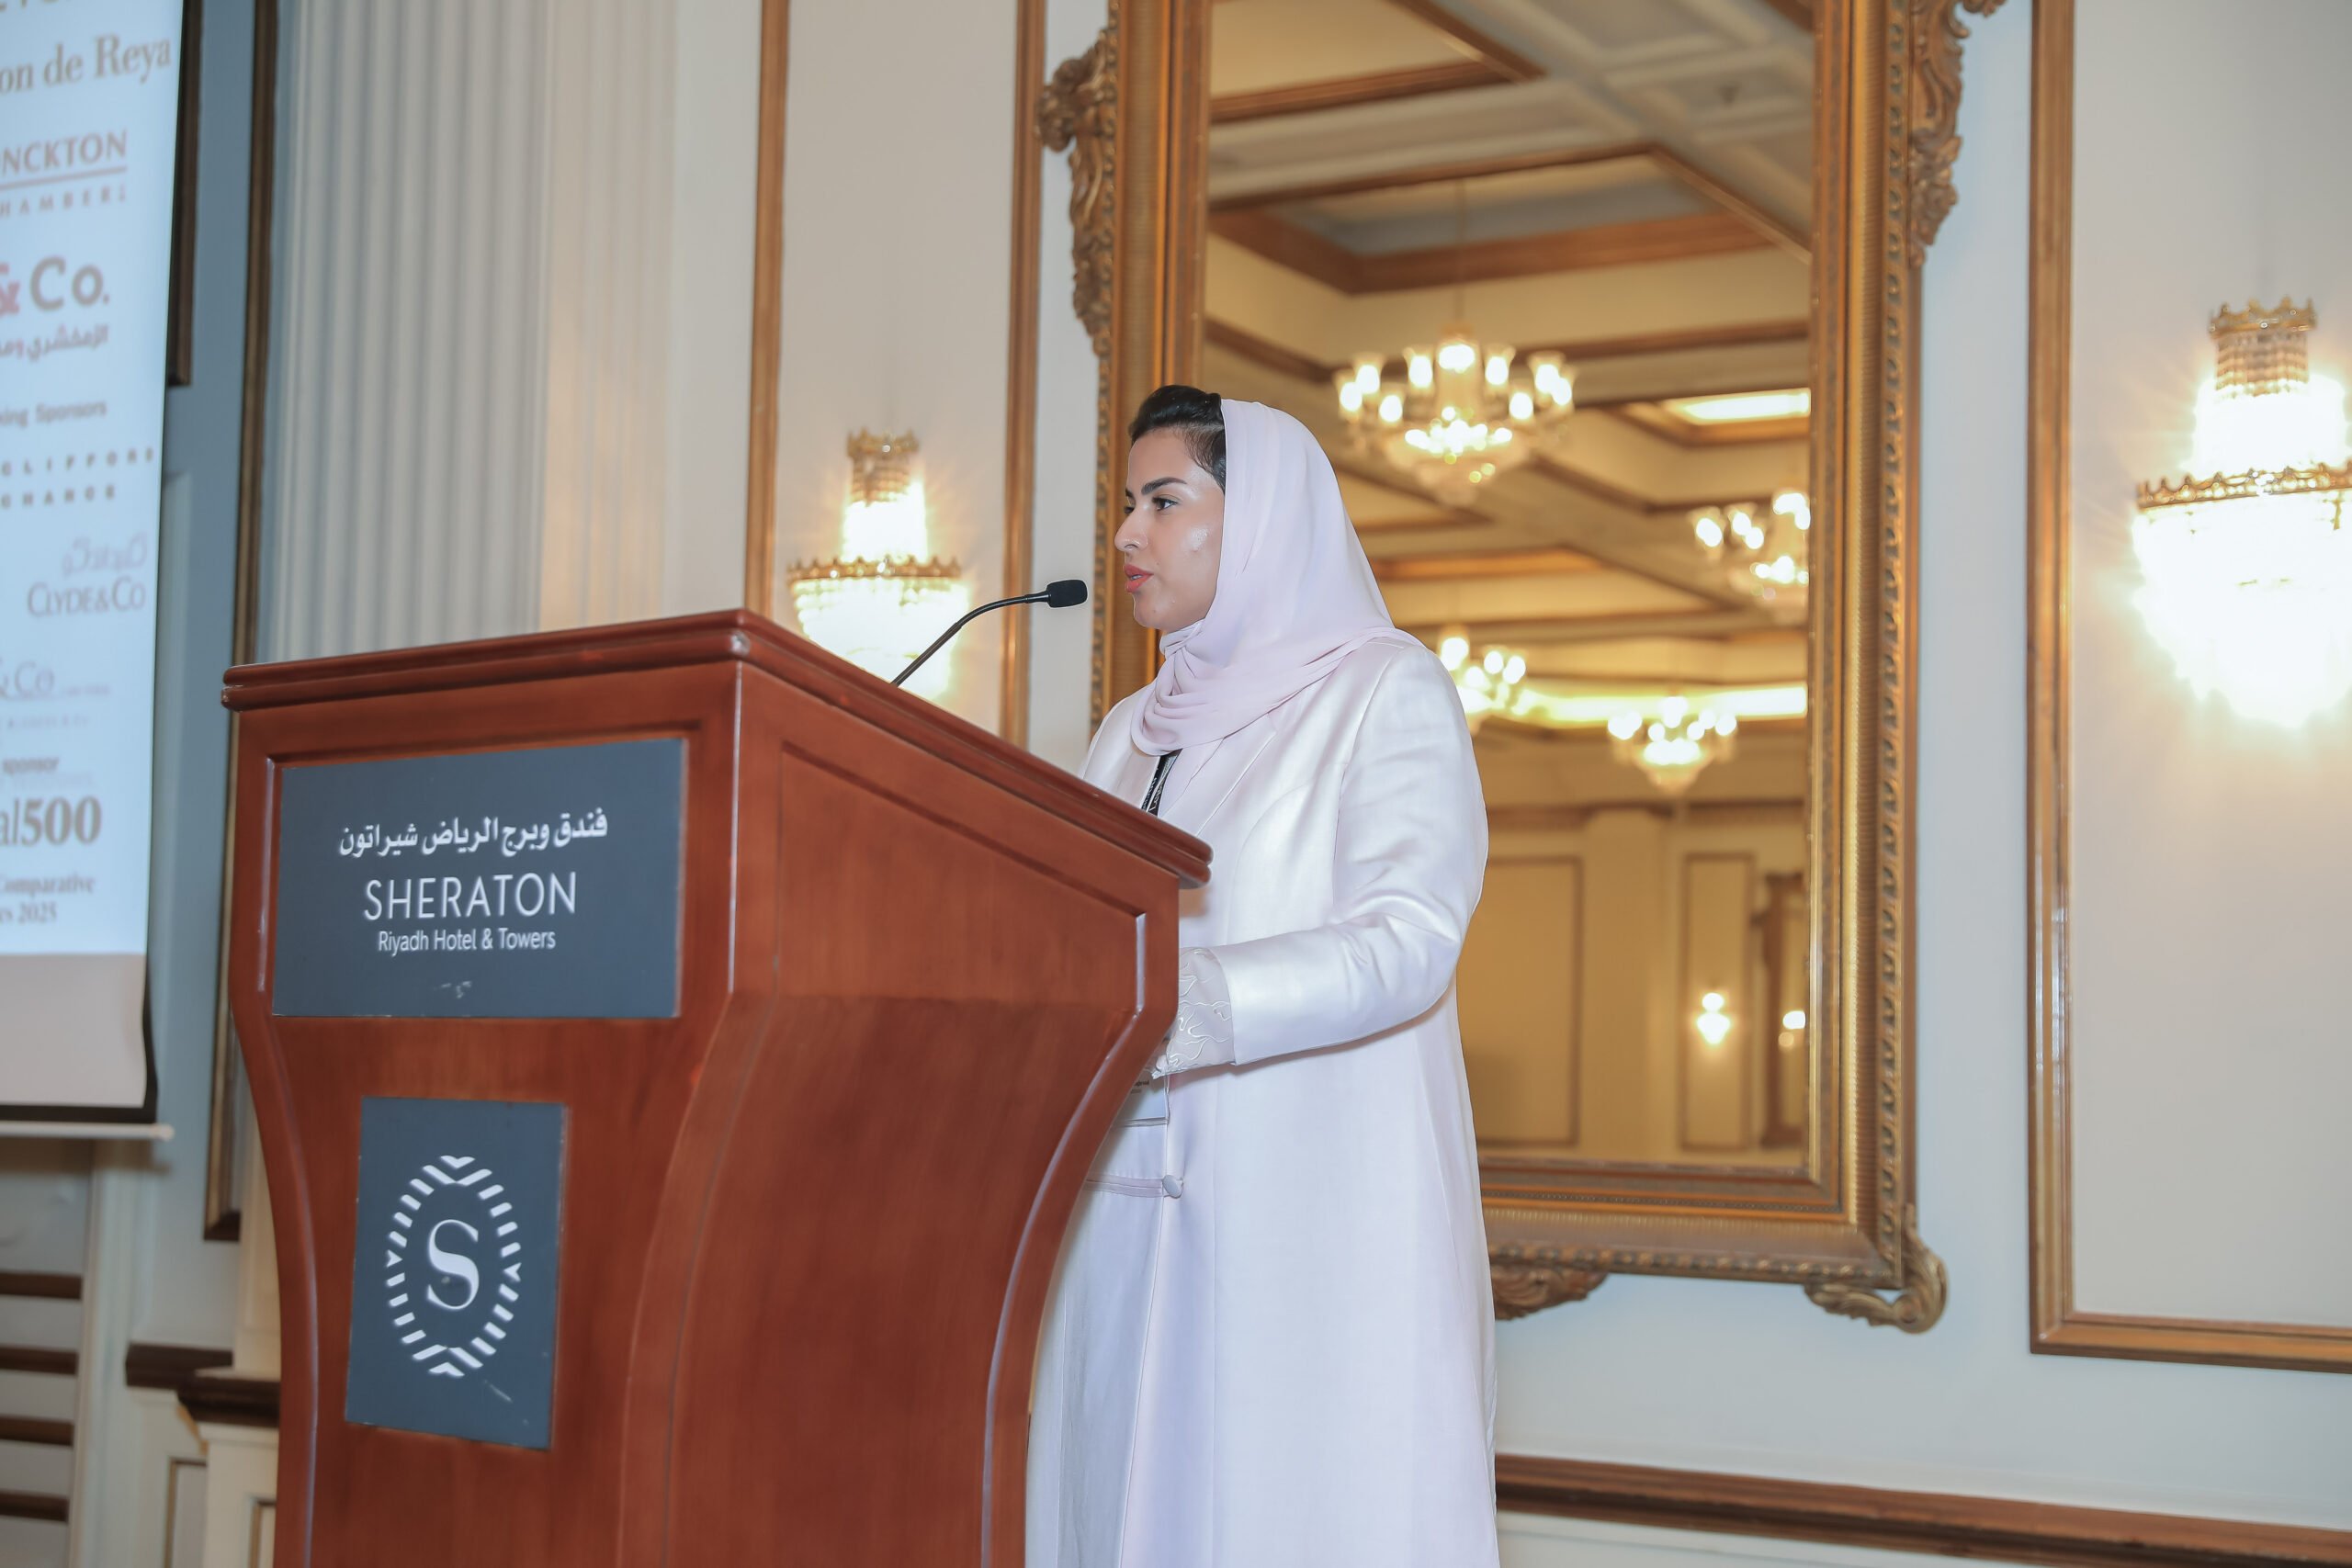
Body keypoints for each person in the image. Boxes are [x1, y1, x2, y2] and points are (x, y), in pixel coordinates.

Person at [1028, 388, 1498, 1568]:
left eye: (1163, 501)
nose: (1126, 534)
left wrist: (1175, 1010)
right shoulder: (1130, 726)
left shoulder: (1381, 690)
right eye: (1126, 504)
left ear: (1265, 522)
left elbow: (1407, 939)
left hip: (1293, 1217)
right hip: (1113, 1208)